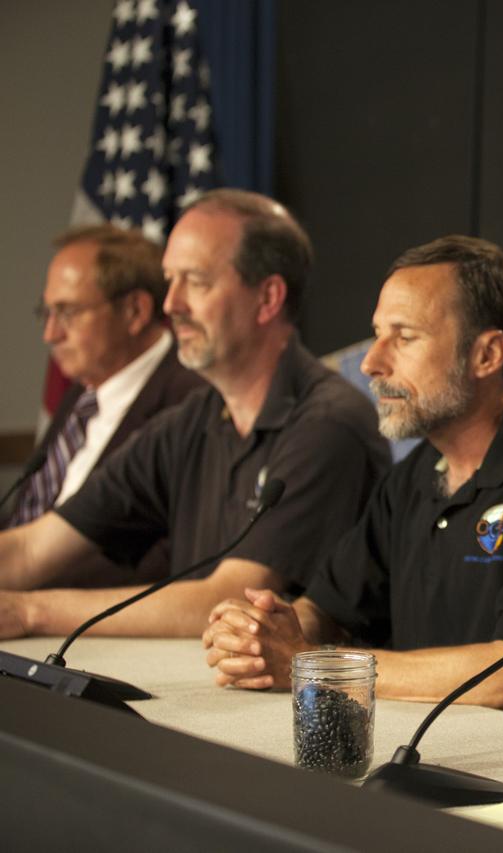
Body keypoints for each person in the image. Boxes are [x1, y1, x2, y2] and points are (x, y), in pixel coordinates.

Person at [202, 235, 503, 724]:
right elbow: (329, 608)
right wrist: (263, 631)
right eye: (377, 334)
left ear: (487, 355)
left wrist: (306, 664)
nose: (371, 363)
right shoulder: (414, 475)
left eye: (404, 337)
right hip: (427, 752)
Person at [0, 189, 390, 640]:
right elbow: (31, 549)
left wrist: (30, 612)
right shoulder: (189, 421)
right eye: (170, 280)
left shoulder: (329, 423)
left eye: (197, 282)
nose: (171, 305)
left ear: (267, 299)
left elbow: (230, 602)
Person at [6, 225, 205, 530]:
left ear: (134, 312)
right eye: (46, 313)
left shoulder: (190, 401)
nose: (51, 334)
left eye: (67, 312)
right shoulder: (82, 394)